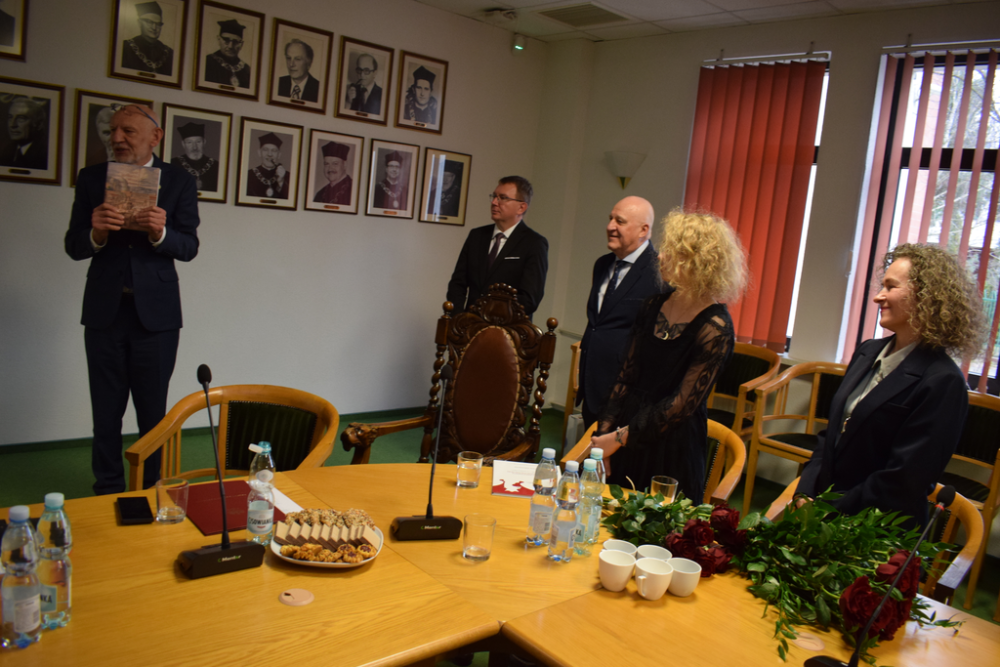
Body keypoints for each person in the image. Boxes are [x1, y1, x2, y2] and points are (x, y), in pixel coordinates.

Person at [63, 104, 200, 495]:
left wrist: (161, 234)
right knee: (105, 412)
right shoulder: (91, 178)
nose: (117, 138)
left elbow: (189, 247)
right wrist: (96, 234)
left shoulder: (179, 181)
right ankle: (107, 488)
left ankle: (149, 488)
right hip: (104, 312)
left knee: (153, 412)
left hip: (156, 316)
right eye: (113, 131)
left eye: (128, 131)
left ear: (155, 136)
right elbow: (73, 245)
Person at [797, 243, 984, 529]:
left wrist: (828, 511)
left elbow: (904, 479)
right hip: (822, 510)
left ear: (926, 296)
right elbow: (832, 433)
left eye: (890, 286)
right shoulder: (867, 351)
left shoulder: (943, 381)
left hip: (875, 528)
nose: (878, 296)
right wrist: (805, 490)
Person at [586, 210, 747, 502]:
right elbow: (624, 377)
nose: (660, 256)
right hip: (625, 432)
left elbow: (681, 405)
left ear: (698, 262)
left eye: (673, 252)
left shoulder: (716, 327)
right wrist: (603, 440)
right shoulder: (652, 305)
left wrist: (619, 438)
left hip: (672, 445)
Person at [578, 196, 662, 428]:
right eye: (610, 219)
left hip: (627, 393)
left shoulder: (659, 272)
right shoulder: (602, 264)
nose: (610, 227)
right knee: (590, 448)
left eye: (620, 221)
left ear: (644, 230)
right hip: (591, 381)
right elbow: (598, 324)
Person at [446, 176, 549, 317]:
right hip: (469, 324)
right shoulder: (477, 235)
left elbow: (530, 299)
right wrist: (459, 318)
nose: (494, 202)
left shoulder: (534, 243)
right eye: (494, 196)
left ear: (521, 207)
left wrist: (489, 316)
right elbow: (458, 283)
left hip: (508, 327)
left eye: (503, 198)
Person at [121, 2, 173, 75]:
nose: (154, 27)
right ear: (139, 23)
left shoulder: (169, 53)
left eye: (158, 24)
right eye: (149, 22)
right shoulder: (125, 47)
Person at [1, 96, 47, 169]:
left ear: (38, 124)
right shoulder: (7, 151)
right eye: (10, 117)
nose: (12, 125)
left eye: (21, 118)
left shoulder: (45, 153)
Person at [170, 122, 218, 191]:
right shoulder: (173, 164)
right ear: (183, 144)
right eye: (189, 142)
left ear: (204, 142)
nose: (194, 147)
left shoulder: (216, 166)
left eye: (198, 142)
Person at [204, 19, 250, 88]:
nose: (230, 46)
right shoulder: (207, 62)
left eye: (235, 42)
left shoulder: (246, 70)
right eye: (226, 40)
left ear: (241, 44)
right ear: (219, 39)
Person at [246, 132, 288, 198]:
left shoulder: (288, 176)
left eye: (274, 150)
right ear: (259, 153)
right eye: (265, 150)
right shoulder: (248, 175)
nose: (269, 154)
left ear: (279, 155)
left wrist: (281, 182)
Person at [313, 141, 352, 205]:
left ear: (344, 164)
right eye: (326, 164)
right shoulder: (320, 194)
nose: (330, 168)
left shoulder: (353, 190)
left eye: (335, 164)